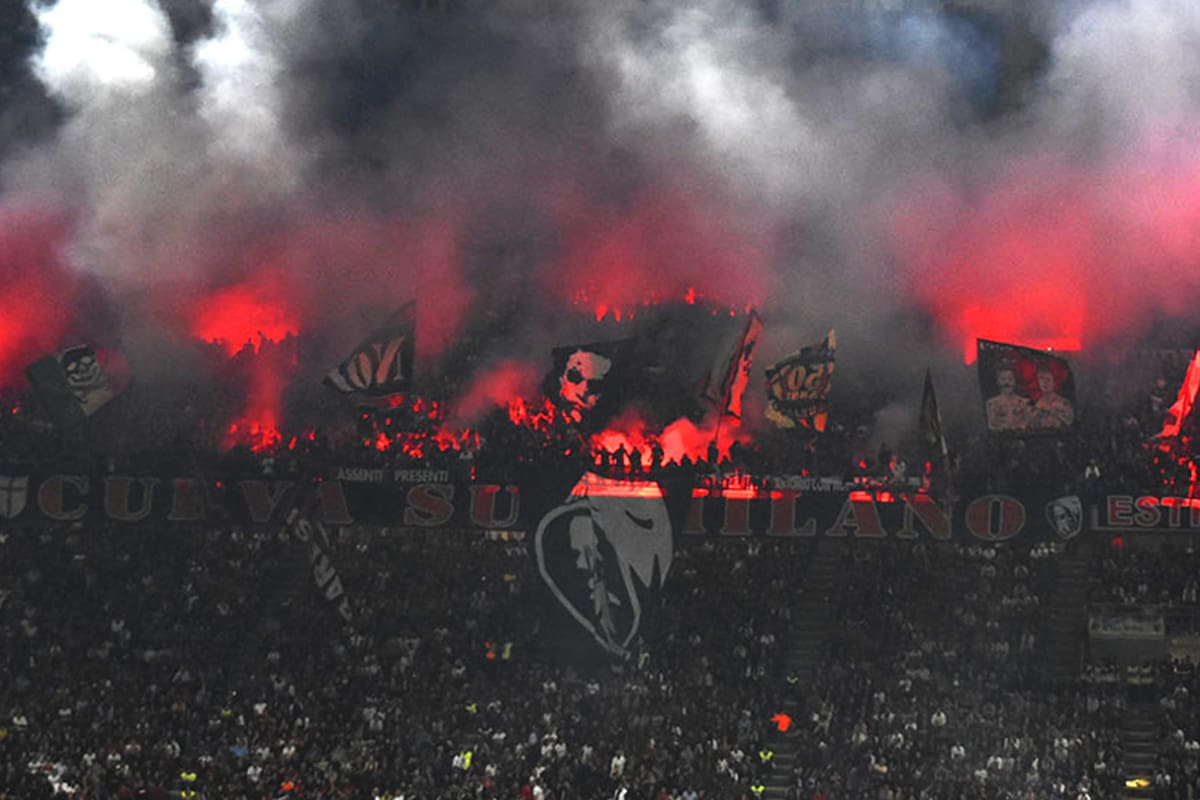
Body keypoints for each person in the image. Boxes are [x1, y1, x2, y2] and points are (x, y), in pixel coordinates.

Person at [1029, 365, 1074, 430]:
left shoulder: (1063, 403)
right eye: (1041, 379)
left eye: (1048, 379)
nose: (1044, 383)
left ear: (1055, 381)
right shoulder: (1037, 404)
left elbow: (1068, 424)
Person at [986, 366, 1030, 432]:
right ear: (997, 381)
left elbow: (1026, 424)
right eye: (1003, 379)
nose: (1007, 382)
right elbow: (991, 425)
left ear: (1015, 381)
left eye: (1010, 379)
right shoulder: (991, 403)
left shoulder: (1024, 403)